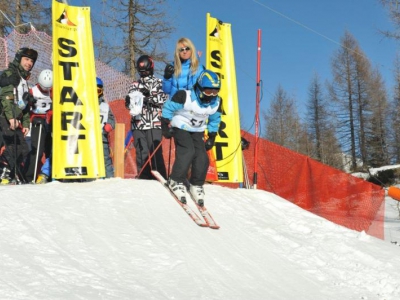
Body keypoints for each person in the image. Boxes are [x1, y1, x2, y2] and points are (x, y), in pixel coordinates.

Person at [161, 70, 222, 206]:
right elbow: (168, 108)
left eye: (215, 92)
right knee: (188, 151)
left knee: (202, 156)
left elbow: (214, 119)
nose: (211, 95)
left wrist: (212, 136)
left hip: (197, 130)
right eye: (208, 91)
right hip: (181, 126)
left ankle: (196, 184)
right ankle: (175, 180)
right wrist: (165, 125)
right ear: (200, 88)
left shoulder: (216, 102)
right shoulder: (184, 96)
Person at [125, 55, 168, 179]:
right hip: (138, 124)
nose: (144, 74)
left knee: (155, 153)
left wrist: (149, 96)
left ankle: (160, 177)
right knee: (141, 153)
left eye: (146, 71)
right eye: (141, 72)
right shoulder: (134, 85)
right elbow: (130, 105)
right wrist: (128, 102)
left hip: (154, 123)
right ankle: (144, 178)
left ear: (152, 68)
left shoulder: (159, 83)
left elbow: (164, 100)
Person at [0, 47, 38, 184]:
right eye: (26, 59)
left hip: (15, 116)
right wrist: (10, 118)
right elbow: (6, 97)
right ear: (19, 59)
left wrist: (26, 123)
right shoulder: (11, 73)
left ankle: (12, 174)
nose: (29, 63)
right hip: (5, 114)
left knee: (23, 149)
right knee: (13, 146)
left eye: (32, 61)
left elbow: (24, 104)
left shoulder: (24, 79)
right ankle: (3, 173)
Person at [24, 69, 53, 183]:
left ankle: (49, 175)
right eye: (43, 87)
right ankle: (29, 176)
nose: (45, 90)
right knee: (37, 150)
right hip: (37, 122)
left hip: (50, 121)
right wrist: (27, 100)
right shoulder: (33, 91)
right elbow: (25, 107)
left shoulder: (54, 91)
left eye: (47, 88)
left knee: (50, 149)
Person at [97, 77, 115, 178]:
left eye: (98, 91)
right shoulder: (85, 104)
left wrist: (110, 125)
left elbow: (113, 120)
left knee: (106, 160)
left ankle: (109, 179)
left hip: (102, 138)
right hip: (88, 140)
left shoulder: (105, 106)